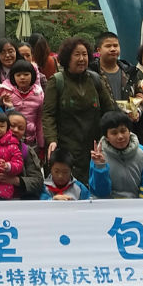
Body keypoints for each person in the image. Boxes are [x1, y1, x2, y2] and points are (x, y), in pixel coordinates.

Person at [42, 37, 118, 184]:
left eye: (84, 54)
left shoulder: (95, 80)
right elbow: (48, 114)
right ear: (67, 58)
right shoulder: (57, 81)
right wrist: (52, 140)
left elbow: (110, 110)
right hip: (66, 147)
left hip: (94, 146)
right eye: (77, 54)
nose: (82, 59)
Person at [89, 111, 143, 199]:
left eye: (123, 131)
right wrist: (100, 167)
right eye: (114, 133)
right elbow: (100, 193)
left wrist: (141, 204)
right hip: (108, 204)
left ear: (129, 131)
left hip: (136, 204)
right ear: (106, 137)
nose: (120, 136)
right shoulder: (98, 157)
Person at [0, 60, 44, 151]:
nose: (22, 78)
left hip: (30, 140)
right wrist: (3, 102)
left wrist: (41, 143)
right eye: (18, 75)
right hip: (9, 139)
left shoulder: (38, 94)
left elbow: (40, 119)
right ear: (13, 77)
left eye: (26, 74)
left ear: (32, 75)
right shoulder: (7, 92)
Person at [5, 110, 44, 199]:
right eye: (12, 126)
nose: (16, 130)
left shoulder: (27, 150)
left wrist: (16, 181)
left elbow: (38, 181)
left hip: (19, 200)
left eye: (21, 128)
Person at [90, 31, 139, 102]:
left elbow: (138, 96)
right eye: (108, 46)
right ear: (99, 50)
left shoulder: (130, 72)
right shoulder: (91, 72)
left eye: (115, 46)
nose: (113, 49)